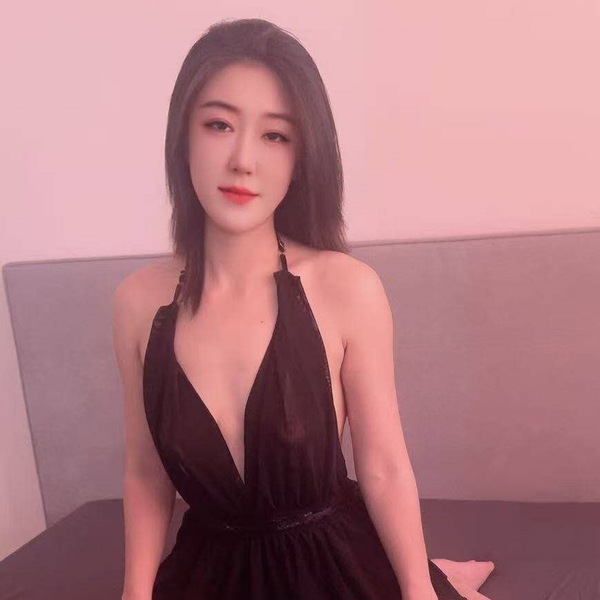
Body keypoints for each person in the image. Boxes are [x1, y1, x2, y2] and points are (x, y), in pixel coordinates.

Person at [112, 17, 495, 600]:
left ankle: (445, 576)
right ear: (182, 137)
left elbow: (384, 466)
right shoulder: (137, 303)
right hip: (209, 573)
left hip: (333, 568)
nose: (243, 159)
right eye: (219, 124)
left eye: (276, 135)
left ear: (302, 156)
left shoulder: (347, 289)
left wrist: (418, 590)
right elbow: (146, 473)